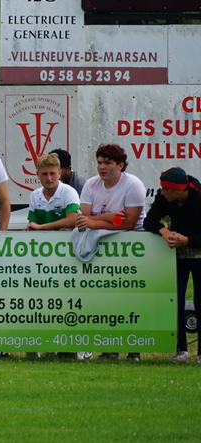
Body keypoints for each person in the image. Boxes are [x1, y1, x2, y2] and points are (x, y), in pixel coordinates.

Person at [77, 143, 145, 361]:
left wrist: (95, 222)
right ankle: (110, 348)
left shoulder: (132, 184)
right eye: (99, 162)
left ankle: (134, 349)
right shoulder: (91, 184)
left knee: (130, 300)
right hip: (102, 248)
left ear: (120, 165)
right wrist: (106, 218)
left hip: (131, 249)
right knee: (105, 299)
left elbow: (129, 223)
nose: (102, 167)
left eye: (107, 163)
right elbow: (82, 219)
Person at [143, 167, 201, 363]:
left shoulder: (199, 198)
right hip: (177, 256)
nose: (162, 193)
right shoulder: (164, 199)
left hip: (198, 253)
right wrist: (164, 231)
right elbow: (149, 221)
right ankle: (181, 350)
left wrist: (188, 240)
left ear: (179, 190)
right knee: (176, 301)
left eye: (166, 190)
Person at [24, 153, 80, 231]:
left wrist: (41, 227)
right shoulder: (34, 195)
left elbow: (73, 220)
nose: (49, 178)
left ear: (59, 173)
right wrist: (30, 228)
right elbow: (33, 224)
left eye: (52, 173)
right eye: (44, 174)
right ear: (38, 174)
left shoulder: (69, 192)